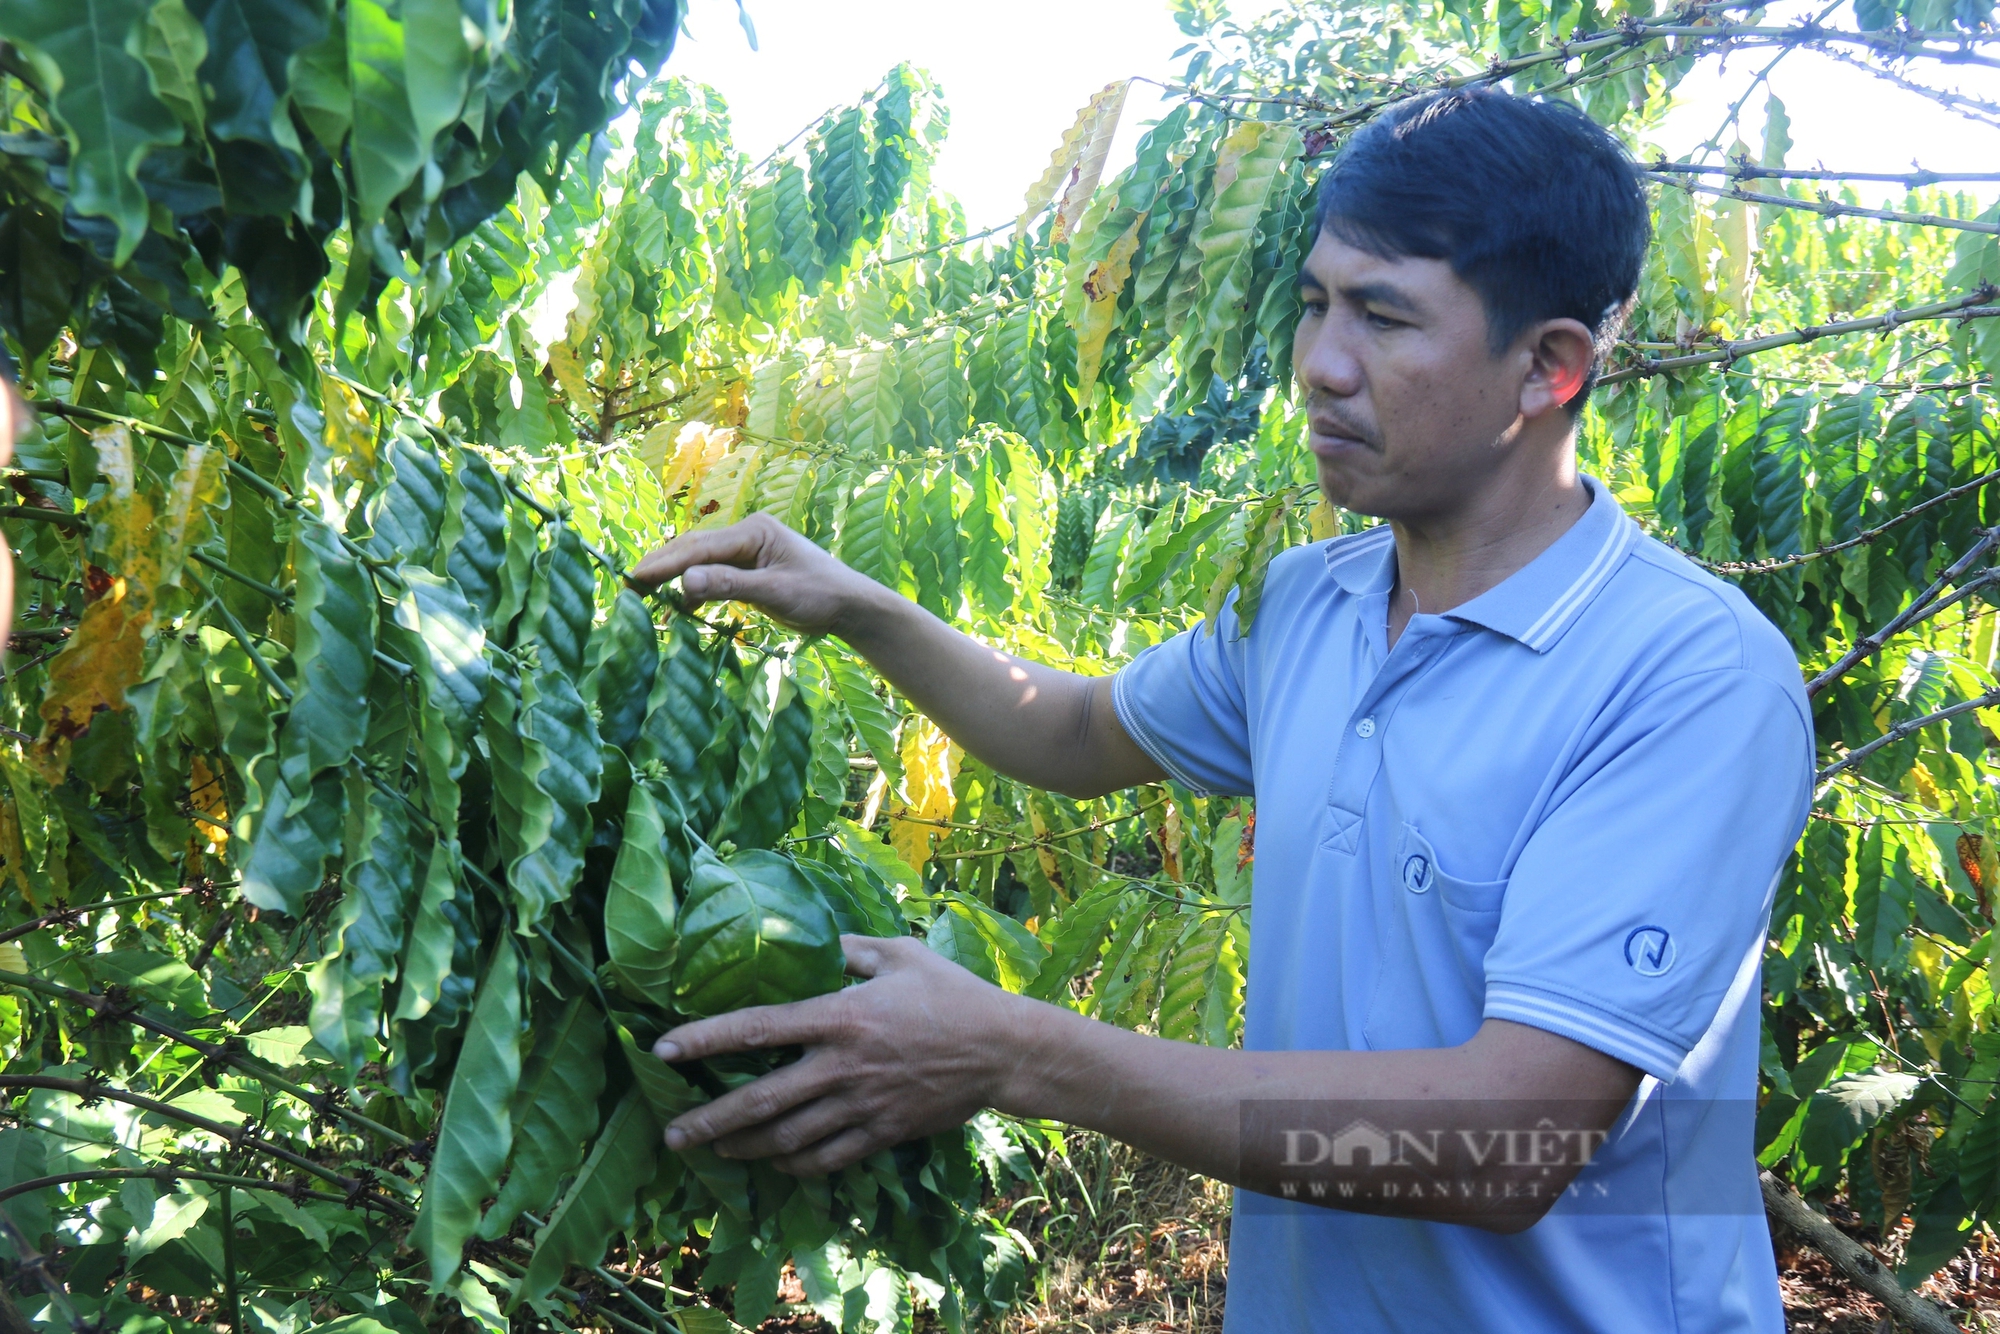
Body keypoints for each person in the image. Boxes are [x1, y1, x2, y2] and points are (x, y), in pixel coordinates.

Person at [630, 88, 1810, 1332]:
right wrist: (858, 604)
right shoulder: (1309, 603)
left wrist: (1014, 1051)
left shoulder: (1684, 676)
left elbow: (1505, 1141)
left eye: (1382, 315)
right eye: (1312, 302)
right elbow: (1075, 731)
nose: (1319, 363)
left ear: (1548, 366)